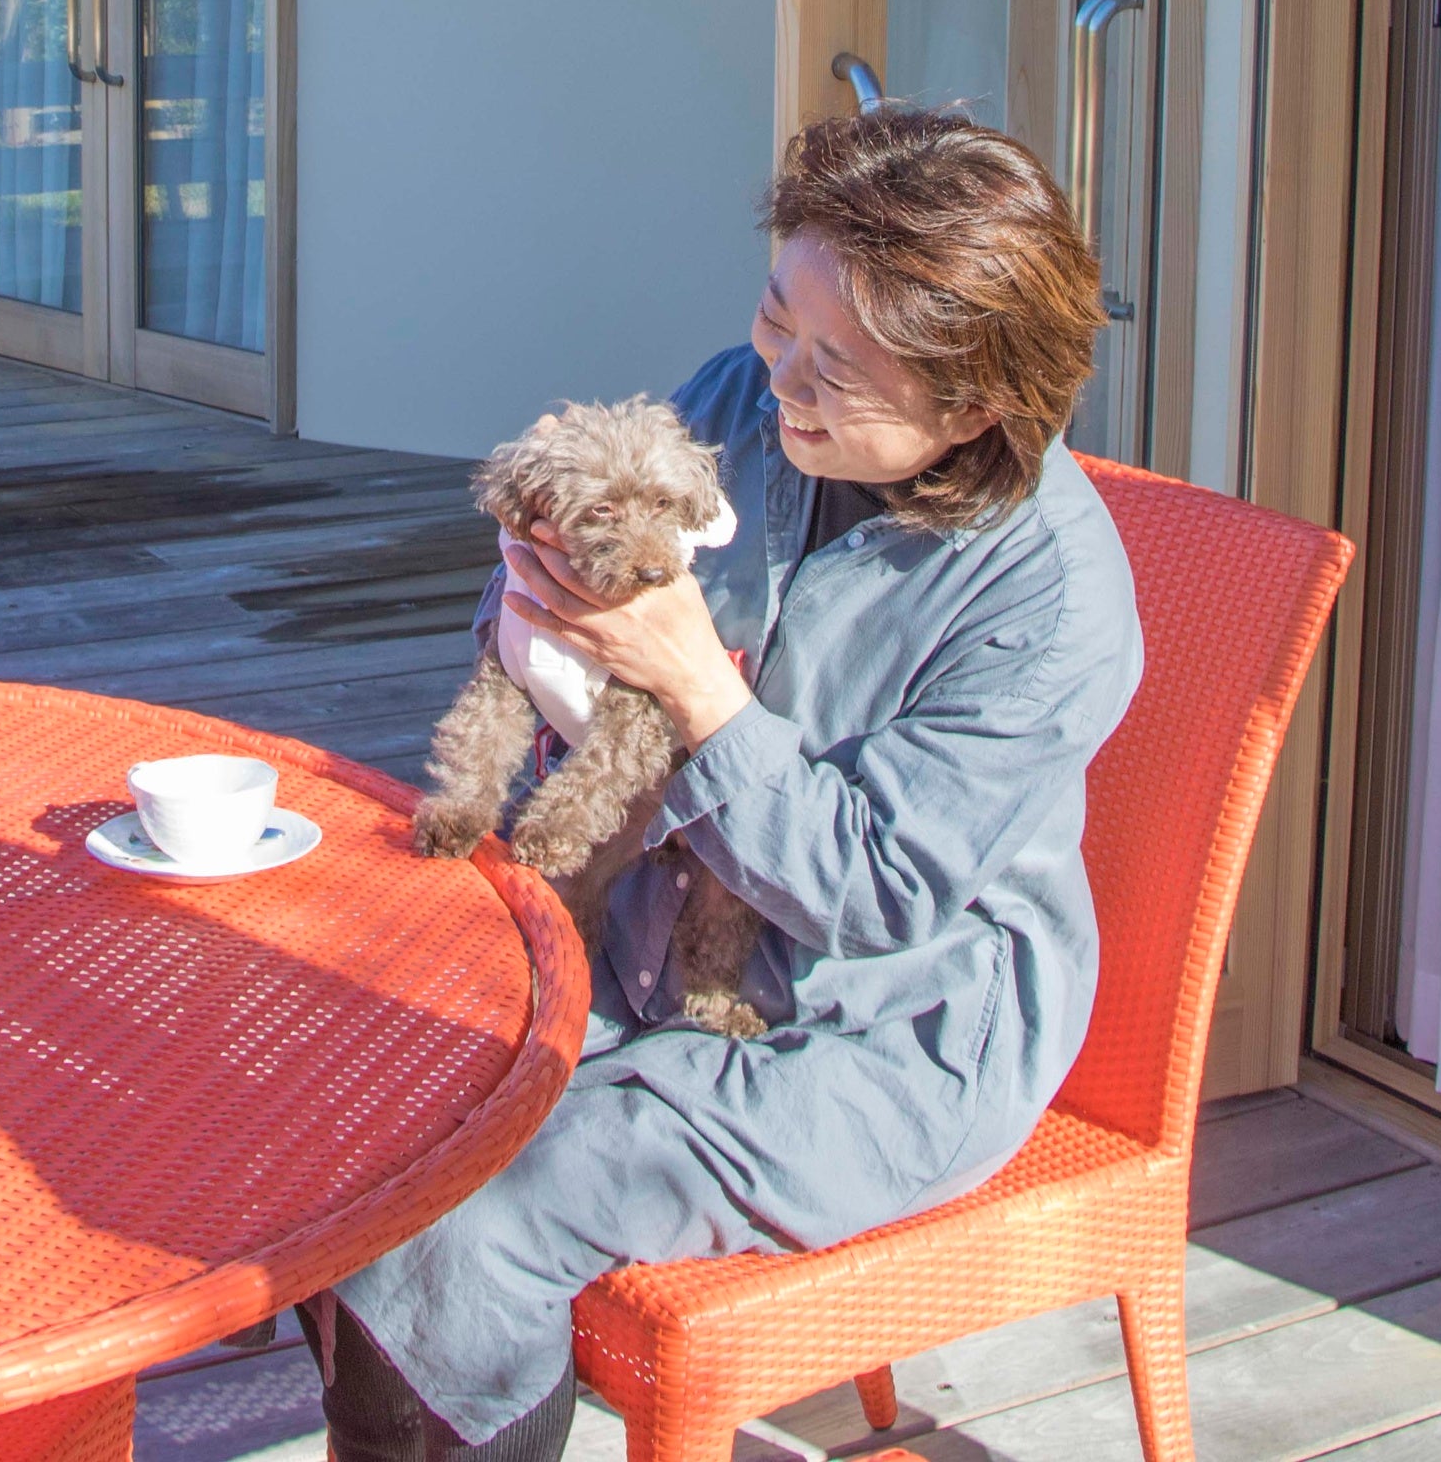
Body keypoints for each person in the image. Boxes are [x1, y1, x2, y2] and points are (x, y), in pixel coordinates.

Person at [318, 105, 1143, 1461]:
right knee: (360, 1101)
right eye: (778, 318)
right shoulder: (735, 405)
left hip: (874, 1032)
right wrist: (538, 607)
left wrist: (702, 688)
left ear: (979, 401)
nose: (782, 380)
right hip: (643, 942)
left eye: (838, 367)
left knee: (481, 1208)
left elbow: (881, 894)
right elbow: (534, 628)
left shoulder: (1048, 598)